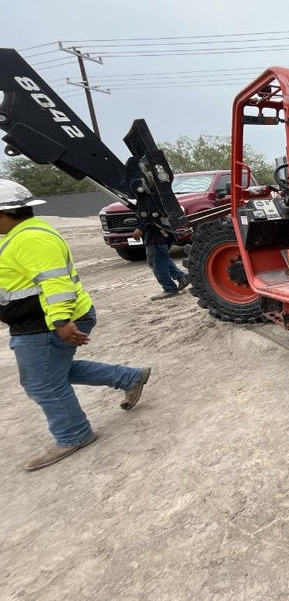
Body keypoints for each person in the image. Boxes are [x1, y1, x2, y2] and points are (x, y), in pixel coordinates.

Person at [0, 180, 150, 471]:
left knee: (43, 382)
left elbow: (55, 283)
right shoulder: (17, 235)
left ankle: (73, 434)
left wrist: (61, 321)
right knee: (57, 371)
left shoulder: (31, 239)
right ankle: (129, 378)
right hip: (35, 321)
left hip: (46, 322)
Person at [133, 217, 189, 301]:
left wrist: (140, 228)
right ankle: (181, 278)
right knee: (162, 258)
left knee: (156, 262)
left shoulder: (148, 204)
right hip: (163, 233)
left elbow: (151, 213)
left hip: (155, 235)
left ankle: (170, 288)